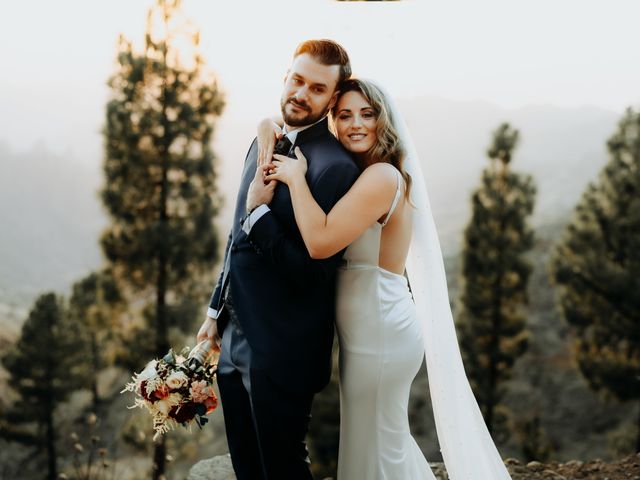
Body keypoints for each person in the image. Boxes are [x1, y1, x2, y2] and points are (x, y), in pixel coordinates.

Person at [255, 78, 513, 479]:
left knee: (378, 450)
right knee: (379, 446)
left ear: (383, 120)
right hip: (371, 332)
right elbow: (278, 122)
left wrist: (295, 179)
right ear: (332, 123)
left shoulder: (382, 178)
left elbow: (321, 242)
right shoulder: (363, 173)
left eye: (367, 114)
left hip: (380, 332)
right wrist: (264, 126)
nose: (356, 123)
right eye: (344, 115)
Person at [196, 40, 360, 480]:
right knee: (248, 469)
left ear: (333, 98)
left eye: (317, 88)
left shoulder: (334, 168)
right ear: (285, 76)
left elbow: (315, 272)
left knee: (282, 470)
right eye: (297, 80)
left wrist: (260, 212)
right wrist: (216, 309)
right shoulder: (263, 139)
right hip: (233, 340)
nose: (301, 94)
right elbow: (236, 233)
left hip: (283, 349)